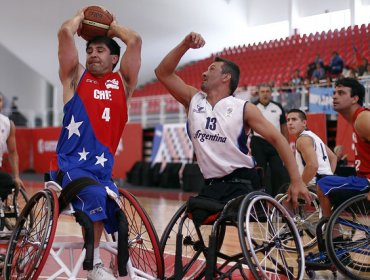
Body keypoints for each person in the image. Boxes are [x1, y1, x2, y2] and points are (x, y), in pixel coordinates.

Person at [155, 32, 311, 224]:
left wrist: (296, 180)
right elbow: (162, 72)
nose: (204, 73)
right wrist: (185, 44)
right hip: (211, 184)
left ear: (225, 77)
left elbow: (278, 139)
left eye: (211, 69)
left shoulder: (244, 108)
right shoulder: (193, 99)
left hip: (242, 183)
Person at [50, 7, 141, 279]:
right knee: (95, 197)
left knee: (121, 218)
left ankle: (117, 261)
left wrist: (112, 27)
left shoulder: (123, 83)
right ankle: (95, 265)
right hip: (71, 166)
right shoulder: (76, 78)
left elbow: (134, 41)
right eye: (90, 50)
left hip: (102, 170)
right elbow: (65, 32)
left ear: (114, 58)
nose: (93, 55)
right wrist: (81, 17)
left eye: (100, 50)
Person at [316, 78, 370, 218]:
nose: (334, 96)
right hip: (363, 180)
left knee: (323, 185)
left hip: (367, 182)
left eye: (341, 93)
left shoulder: (363, 118)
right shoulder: (358, 119)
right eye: (334, 92)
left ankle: (332, 234)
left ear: (354, 98)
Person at [251, 83, 290, 197]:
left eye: (267, 91)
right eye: (262, 91)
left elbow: (284, 127)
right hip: (258, 143)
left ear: (271, 93)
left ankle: (278, 198)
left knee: (278, 171)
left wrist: (285, 145)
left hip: (275, 143)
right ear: (258, 93)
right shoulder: (253, 107)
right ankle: (259, 197)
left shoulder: (277, 107)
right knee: (260, 171)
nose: (265, 94)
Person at [286, 109, 337, 188]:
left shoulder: (303, 139)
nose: (290, 123)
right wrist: (329, 175)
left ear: (304, 123)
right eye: (288, 120)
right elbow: (333, 157)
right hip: (327, 182)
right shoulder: (313, 136)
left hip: (315, 184)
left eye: (294, 119)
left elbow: (313, 165)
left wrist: (300, 186)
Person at [0, 92, 25, 195]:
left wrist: (16, 177)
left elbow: (13, 153)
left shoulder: (8, 124)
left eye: (0, 100)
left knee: (8, 182)